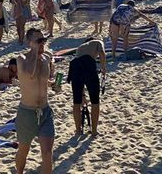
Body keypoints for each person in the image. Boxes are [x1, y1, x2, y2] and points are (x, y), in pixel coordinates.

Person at [15, 28, 58, 174]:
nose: (42, 44)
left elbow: (45, 80)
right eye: (39, 41)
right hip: (27, 113)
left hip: (45, 111)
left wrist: (54, 85)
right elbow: (31, 75)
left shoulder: (46, 58)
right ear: (30, 43)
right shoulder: (21, 59)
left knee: (47, 153)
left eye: (44, 40)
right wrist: (34, 53)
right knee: (23, 150)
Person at [67, 38, 106, 136]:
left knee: (76, 102)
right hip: (88, 65)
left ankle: (78, 130)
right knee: (95, 102)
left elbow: (79, 67)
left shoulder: (80, 47)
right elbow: (102, 53)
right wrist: (103, 68)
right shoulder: (98, 42)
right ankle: (94, 131)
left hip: (74, 66)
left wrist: (83, 96)